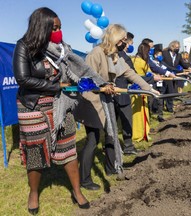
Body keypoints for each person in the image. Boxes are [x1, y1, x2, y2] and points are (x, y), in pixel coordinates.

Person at [12, 7, 109, 214]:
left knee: (68, 147)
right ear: (42, 27)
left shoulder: (64, 49)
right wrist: (56, 86)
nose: (59, 32)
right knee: (36, 152)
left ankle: (76, 190)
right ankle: (34, 193)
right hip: (33, 106)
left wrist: (99, 84)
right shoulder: (25, 47)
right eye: (54, 28)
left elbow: (80, 70)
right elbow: (23, 79)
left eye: (60, 27)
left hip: (62, 104)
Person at [73, 24, 159, 181]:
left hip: (105, 102)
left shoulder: (115, 56)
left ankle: (111, 168)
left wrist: (149, 89)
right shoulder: (96, 54)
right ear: (115, 38)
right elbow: (86, 81)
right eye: (123, 39)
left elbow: (130, 73)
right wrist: (103, 86)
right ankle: (84, 179)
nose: (125, 43)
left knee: (111, 136)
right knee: (93, 139)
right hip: (91, 102)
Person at [131, 43, 162, 142]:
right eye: (148, 51)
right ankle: (139, 134)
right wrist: (154, 77)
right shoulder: (142, 62)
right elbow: (148, 73)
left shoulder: (133, 59)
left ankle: (142, 132)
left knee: (139, 112)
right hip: (141, 88)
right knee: (140, 112)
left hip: (137, 88)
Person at [115, 32, 138, 155]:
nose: (131, 46)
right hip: (121, 94)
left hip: (112, 94)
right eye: (130, 43)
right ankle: (128, 147)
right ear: (126, 42)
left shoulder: (117, 54)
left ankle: (114, 148)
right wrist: (149, 79)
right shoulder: (123, 56)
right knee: (127, 121)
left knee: (113, 123)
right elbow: (131, 76)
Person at [161, 40, 191, 112]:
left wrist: (188, 67)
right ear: (172, 47)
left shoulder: (178, 55)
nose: (178, 49)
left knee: (171, 92)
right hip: (164, 75)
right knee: (163, 92)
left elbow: (183, 63)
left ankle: (169, 108)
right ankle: (160, 107)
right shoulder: (164, 53)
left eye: (178, 47)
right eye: (176, 47)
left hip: (173, 76)